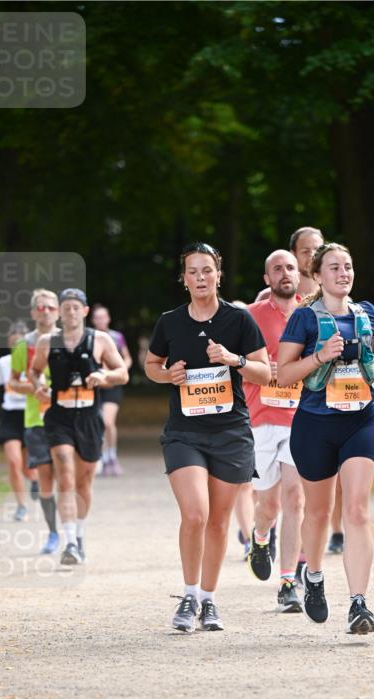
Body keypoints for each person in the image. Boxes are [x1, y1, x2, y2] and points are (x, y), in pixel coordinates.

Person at [144, 241, 270, 633]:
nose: (200, 277)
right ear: (184, 279)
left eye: (207, 270)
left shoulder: (239, 320)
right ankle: (188, 593)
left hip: (231, 432)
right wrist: (169, 375)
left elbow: (265, 373)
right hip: (185, 432)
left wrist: (233, 359)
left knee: (218, 522)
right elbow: (151, 365)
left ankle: (209, 601)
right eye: (192, 272)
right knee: (195, 513)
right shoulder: (170, 321)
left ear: (219, 274)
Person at [278, 242, 374, 633]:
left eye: (348, 266)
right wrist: (320, 356)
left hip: (361, 419)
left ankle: (359, 603)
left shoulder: (367, 313)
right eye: (334, 267)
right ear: (317, 275)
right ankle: (312, 576)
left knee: (358, 510)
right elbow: (283, 374)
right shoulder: (304, 318)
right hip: (314, 424)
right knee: (317, 512)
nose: (343, 273)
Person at [29, 288, 128, 565]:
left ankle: (80, 535)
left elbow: (122, 373)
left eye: (76, 307)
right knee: (65, 473)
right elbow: (35, 371)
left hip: (89, 416)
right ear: (60, 312)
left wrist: (103, 374)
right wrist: (38, 387)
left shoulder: (100, 340)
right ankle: (69, 541)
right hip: (59, 415)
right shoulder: (48, 342)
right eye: (66, 307)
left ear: (84, 311)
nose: (70, 312)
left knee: (84, 482)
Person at [245, 249, 305, 612]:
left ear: (299, 275)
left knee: (294, 498)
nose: (285, 273)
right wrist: (259, 365)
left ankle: (288, 582)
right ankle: (260, 535)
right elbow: (234, 363)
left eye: (290, 268)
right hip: (260, 419)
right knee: (267, 505)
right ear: (267, 279)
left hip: (300, 417)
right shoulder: (249, 317)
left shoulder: (311, 314)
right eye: (277, 269)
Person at [10, 288, 61, 553]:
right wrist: (34, 389)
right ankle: (53, 533)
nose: (46, 311)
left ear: (59, 311)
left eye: (50, 307)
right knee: (45, 478)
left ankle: (75, 533)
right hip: (36, 419)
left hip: (67, 418)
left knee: (69, 477)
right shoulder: (24, 344)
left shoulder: (71, 340)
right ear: (33, 313)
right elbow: (13, 382)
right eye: (40, 307)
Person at [0, 322, 37, 520]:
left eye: (20, 343)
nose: (17, 348)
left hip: (30, 414)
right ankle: (21, 506)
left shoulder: (34, 360)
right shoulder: (4, 362)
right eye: (13, 343)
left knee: (28, 466)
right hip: (10, 415)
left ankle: (35, 481)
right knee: (14, 463)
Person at [89, 303, 133, 476]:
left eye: (103, 316)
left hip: (112, 385)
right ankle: (100, 457)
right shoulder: (89, 337)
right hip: (96, 385)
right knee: (97, 423)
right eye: (97, 317)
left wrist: (121, 370)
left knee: (108, 422)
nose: (100, 320)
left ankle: (111, 455)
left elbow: (127, 358)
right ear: (93, 320)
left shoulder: (117, 337)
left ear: (108, 318)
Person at [255, 226, 324, 303]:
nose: (312, 255)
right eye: (305, 251)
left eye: (318, 250)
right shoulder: (268, 297)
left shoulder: (333, 295)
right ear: (293, 254)